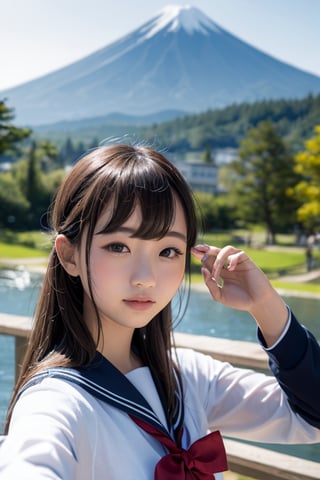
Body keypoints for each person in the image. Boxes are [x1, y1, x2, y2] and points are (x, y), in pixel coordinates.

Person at [0, 144, 319, 480]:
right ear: (69, 256)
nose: (146, 278)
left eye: (168, 250)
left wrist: (265, 305)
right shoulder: (56, 402)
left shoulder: (188, 379)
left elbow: (311, 419)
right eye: (119, 247)